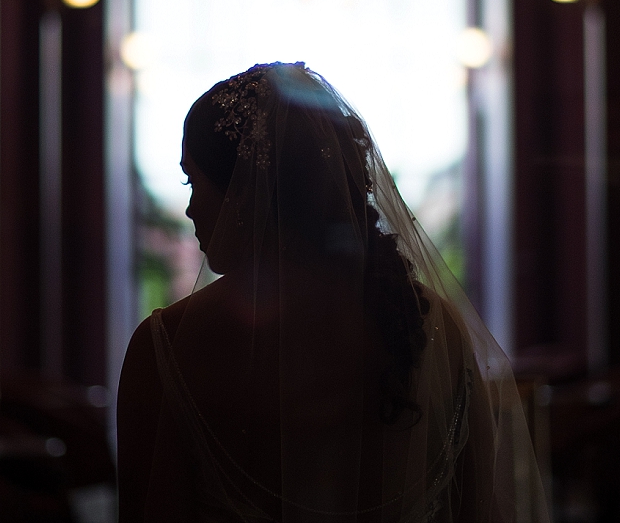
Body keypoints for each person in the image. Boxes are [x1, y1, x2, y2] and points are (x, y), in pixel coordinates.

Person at [117, 63, 549, 522]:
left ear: (244, 191)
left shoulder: (170, 345)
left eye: (193, 181)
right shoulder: (433, 329)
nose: (187, 208)